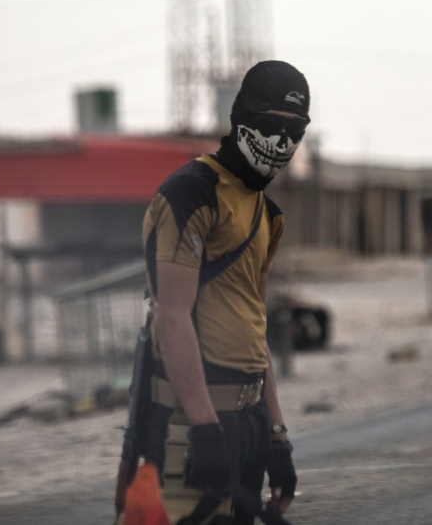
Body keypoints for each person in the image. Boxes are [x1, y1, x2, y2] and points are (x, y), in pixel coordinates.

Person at [132, 60, 307, 524]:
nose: (284, 142)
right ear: (244, 117)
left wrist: (276, 435)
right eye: (274, 126)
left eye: (297, 131)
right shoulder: (191, 194)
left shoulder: (267, 214)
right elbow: (172, 316)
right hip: (193, 420)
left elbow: (256, 326)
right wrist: (205, 428)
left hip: (248, 420)